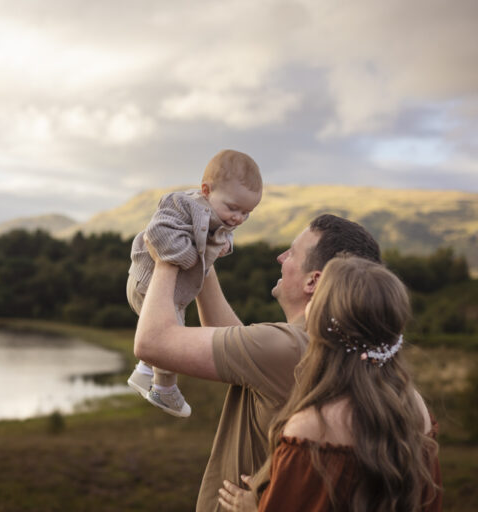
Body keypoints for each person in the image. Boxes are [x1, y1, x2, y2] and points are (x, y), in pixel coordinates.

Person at [134, 214, 382, 511]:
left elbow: (151, 342)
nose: (281, 257)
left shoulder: (288, 346)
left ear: (313, 281)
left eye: (291, 253)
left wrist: (166, 255)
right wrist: (203, 259)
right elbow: (234, 341)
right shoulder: (341, 348)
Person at [217, 256, 442, 511]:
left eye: (316, 299)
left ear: (322, 321)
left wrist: (258, 507)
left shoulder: (312, 428)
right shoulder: (415, 406)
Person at [127, 149, 262, 417]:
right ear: (206, 190)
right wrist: (194, 258)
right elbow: (157, 234)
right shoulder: (180, 204)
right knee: (170, 338)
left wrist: (224, 244)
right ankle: (164, 390)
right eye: (233, 208)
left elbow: (222, 235)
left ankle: (143, 374)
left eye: (246, 213)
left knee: (173, 328)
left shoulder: (219, 215)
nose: (238, 218)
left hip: (174, 291)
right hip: (150, 285)